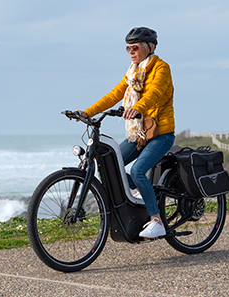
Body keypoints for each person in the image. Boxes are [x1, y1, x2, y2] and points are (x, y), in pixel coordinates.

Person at [76, 27, 175, 238]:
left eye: (135, 47)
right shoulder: (132, 73)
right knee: (113, 161)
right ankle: (142, 192)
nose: (131, 51)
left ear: (150, 48)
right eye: (128, 47)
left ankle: (156, 221)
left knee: (138, 171)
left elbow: (155, 93)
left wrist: (138, 107)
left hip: (161, 134)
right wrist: (87, 112)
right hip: (140, 135)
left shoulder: (161, 68)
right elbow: (114, 94)